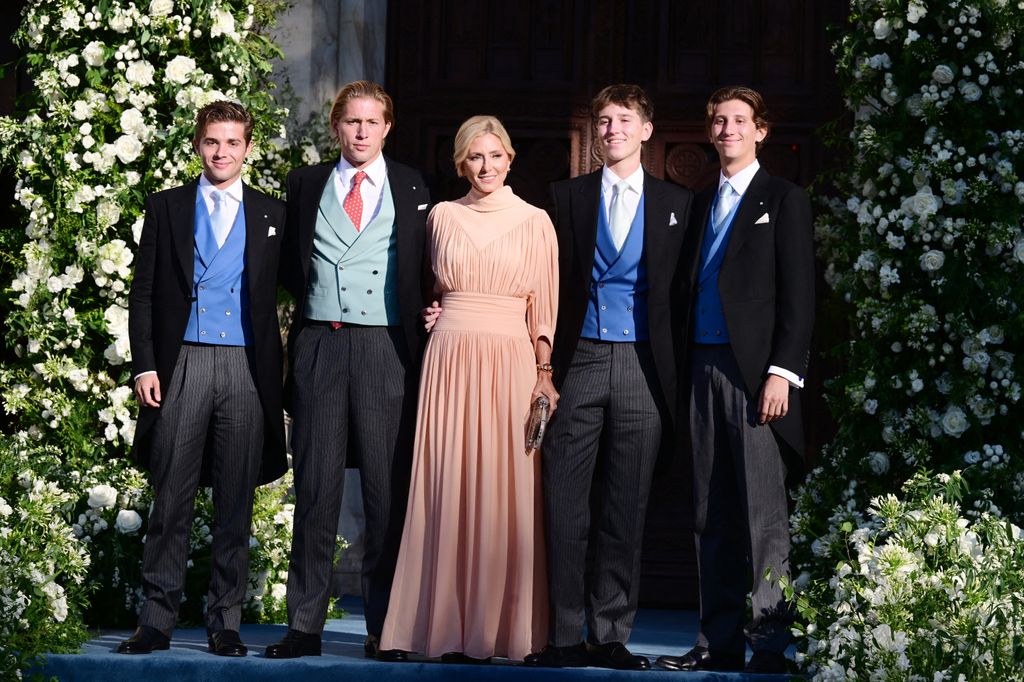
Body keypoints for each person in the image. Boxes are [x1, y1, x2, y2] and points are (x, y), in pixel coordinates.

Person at [379, 115, 558, 663]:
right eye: (475, 157)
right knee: (446, 481)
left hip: (510, 359)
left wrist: (545, 376)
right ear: (462, 163)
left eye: (495, 155)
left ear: (510, 159)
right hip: (449, 359)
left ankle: (502, 630)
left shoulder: (536, 222)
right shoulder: (440, 217)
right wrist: (431, 310)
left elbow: (544, 307)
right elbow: (426, 287)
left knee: (506, 488)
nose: (486, 166)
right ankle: (439, 629)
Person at [526, 84, 693, 670]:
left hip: (646, 366)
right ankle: (565, 635)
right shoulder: (564, 197)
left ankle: (611, 633)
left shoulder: (680, 203)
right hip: (582, 361)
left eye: (624, 119)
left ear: (647, 130)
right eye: (603, 120)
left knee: (626, 506)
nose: (612, 129)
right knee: (564, 502)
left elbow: (689, 293)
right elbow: (539, 280)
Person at [265, 80, 431, 661]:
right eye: (350, 122)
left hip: (386, 350)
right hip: (320, 346)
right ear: (336, 126)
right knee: (316, 488)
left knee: (386, 491)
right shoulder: (306, 183)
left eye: (371, 122)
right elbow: (288, 264)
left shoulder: (412, 186)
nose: (361, 132)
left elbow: (425, 266)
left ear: (388, 128)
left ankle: (385, 627)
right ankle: (305, 624)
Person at [654, 85, 815, 674]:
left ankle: (770, 645)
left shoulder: (784, 198)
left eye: (739, 121)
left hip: (756, 380)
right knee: (709, 512)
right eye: (719, 121)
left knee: (763, 518)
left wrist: (782, 374)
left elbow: (800, 298)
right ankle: (716, 641)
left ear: (760, 131)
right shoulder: (696, 203)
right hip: (701, 367)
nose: (727, 130)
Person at [119, 101, 287, 657]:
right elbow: (143, 291)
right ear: (198, 145)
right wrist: (145, 363)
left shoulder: (271, 213)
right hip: (182, 363)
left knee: (235, 501)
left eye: (233, 142)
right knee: (171, 497)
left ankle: (225, 622)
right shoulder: (167, 207)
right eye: (213, 142)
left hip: (244, 367)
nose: (222, 152)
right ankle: (156, 621)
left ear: (247, 148)